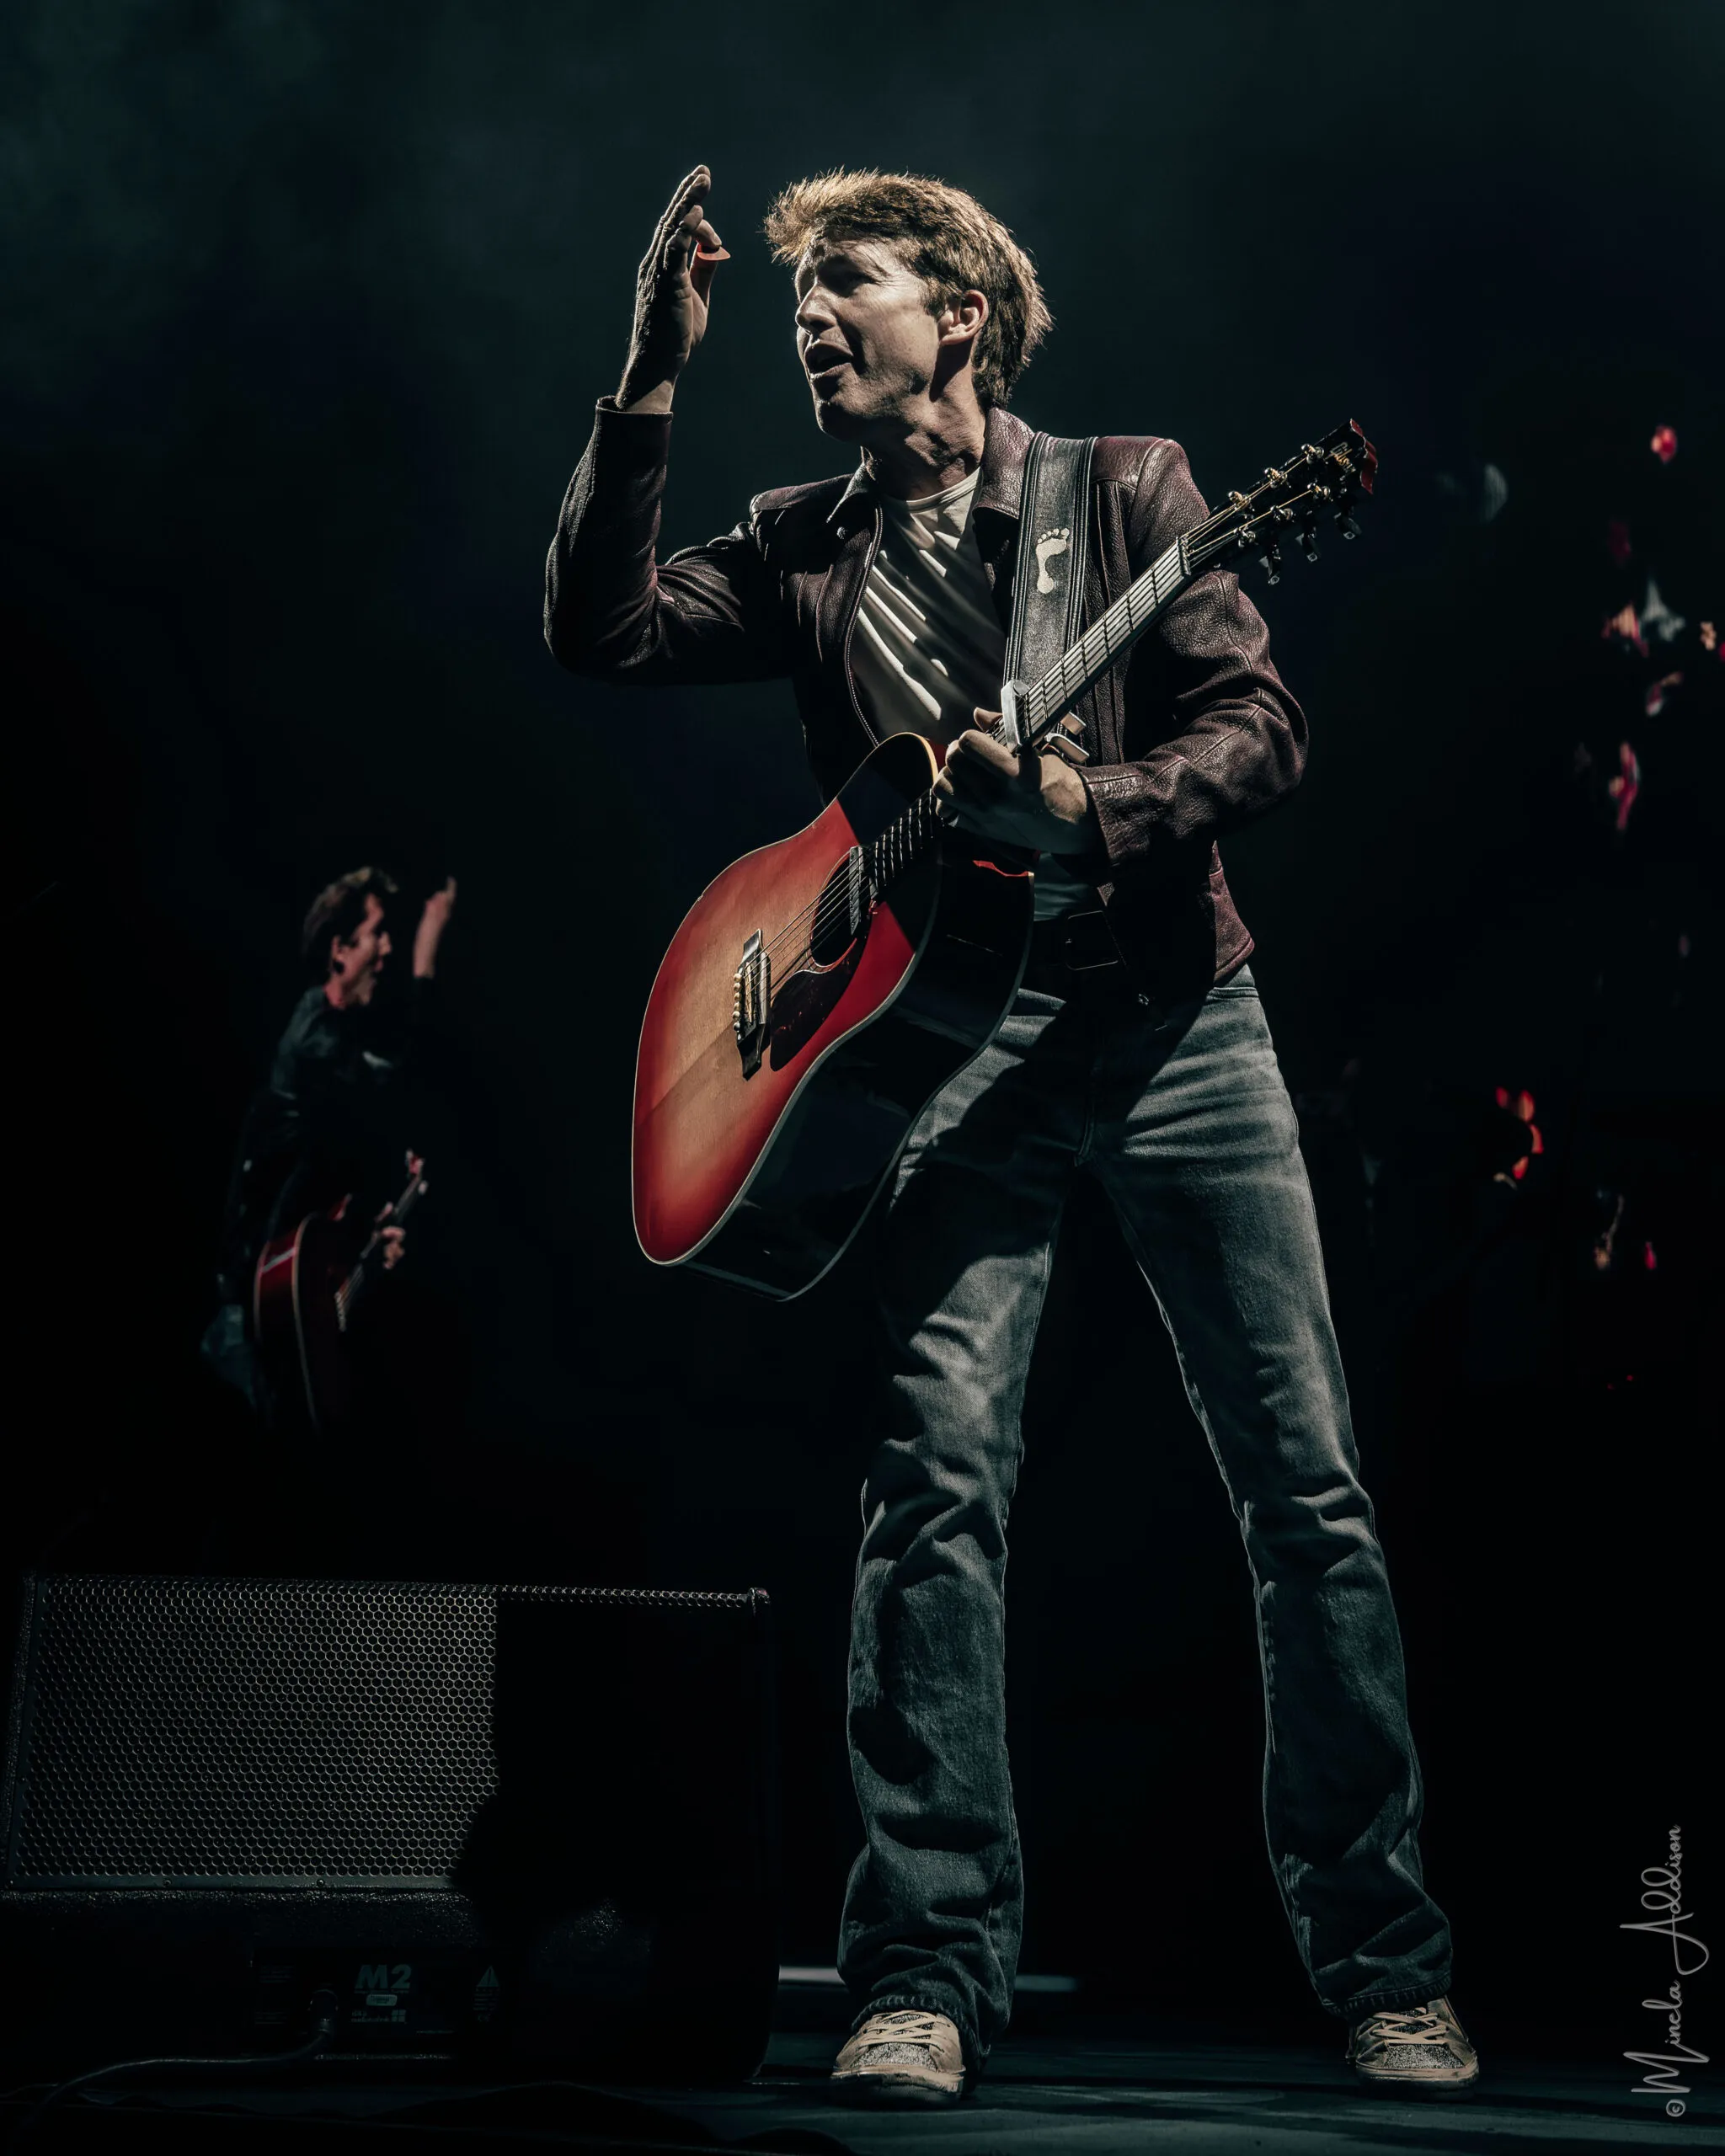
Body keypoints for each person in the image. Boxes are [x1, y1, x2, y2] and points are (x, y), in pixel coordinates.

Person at [545, 165, 1476, 2105]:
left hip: (1172, 1028)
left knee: (1303, 1489)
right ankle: (925, 1965)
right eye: (794, 296)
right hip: (955, 1049)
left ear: (959, 317)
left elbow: (1260, 721)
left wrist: (1099, 803)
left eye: (850, 283)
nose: (809, 315)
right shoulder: (800, 543)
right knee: (930, 1492)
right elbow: (600, 628)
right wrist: (644, 379)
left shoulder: (1125, 490)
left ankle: (1382, 1951)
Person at [203, 866, 457, 1429]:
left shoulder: (342, 1039)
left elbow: (328, 1181)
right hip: (248, 1330)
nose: (386, 948)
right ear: (340, 951)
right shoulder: (314, 1037)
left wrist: (366, 1242)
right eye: (377, 934)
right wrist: (425, 959)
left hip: (284, 1314)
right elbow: (392, 1081)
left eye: (391, 936)